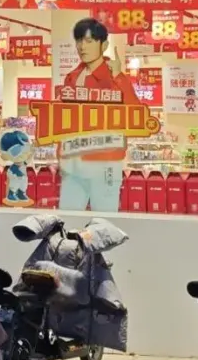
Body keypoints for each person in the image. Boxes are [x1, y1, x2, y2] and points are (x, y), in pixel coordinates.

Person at [57, 18, 143, 213]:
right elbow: (64, 120)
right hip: (73, 164)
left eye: (89, 41)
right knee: (68, 218)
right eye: (79, 40)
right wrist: (61, 154)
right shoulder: (72, 77)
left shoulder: (114, 77)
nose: (82, 46)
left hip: (104, 163)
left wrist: (119, 77)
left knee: (104, 221)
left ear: (103, 45)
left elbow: (134, 112)